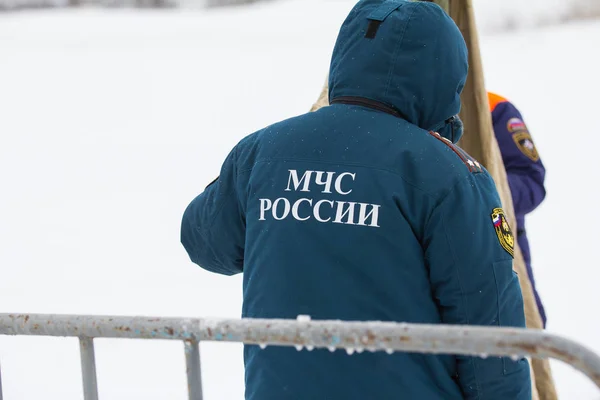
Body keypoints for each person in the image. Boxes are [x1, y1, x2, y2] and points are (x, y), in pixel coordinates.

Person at [180, 1, 532, 399]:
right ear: (447, 74)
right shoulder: (449, 175)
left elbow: (204, 241)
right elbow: (492, 339)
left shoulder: (265, 150)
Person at [489, 91, 548, 327]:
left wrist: (481, 190)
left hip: (501, 247)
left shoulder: (491, 105)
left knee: (522, 335)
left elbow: (531, 180)